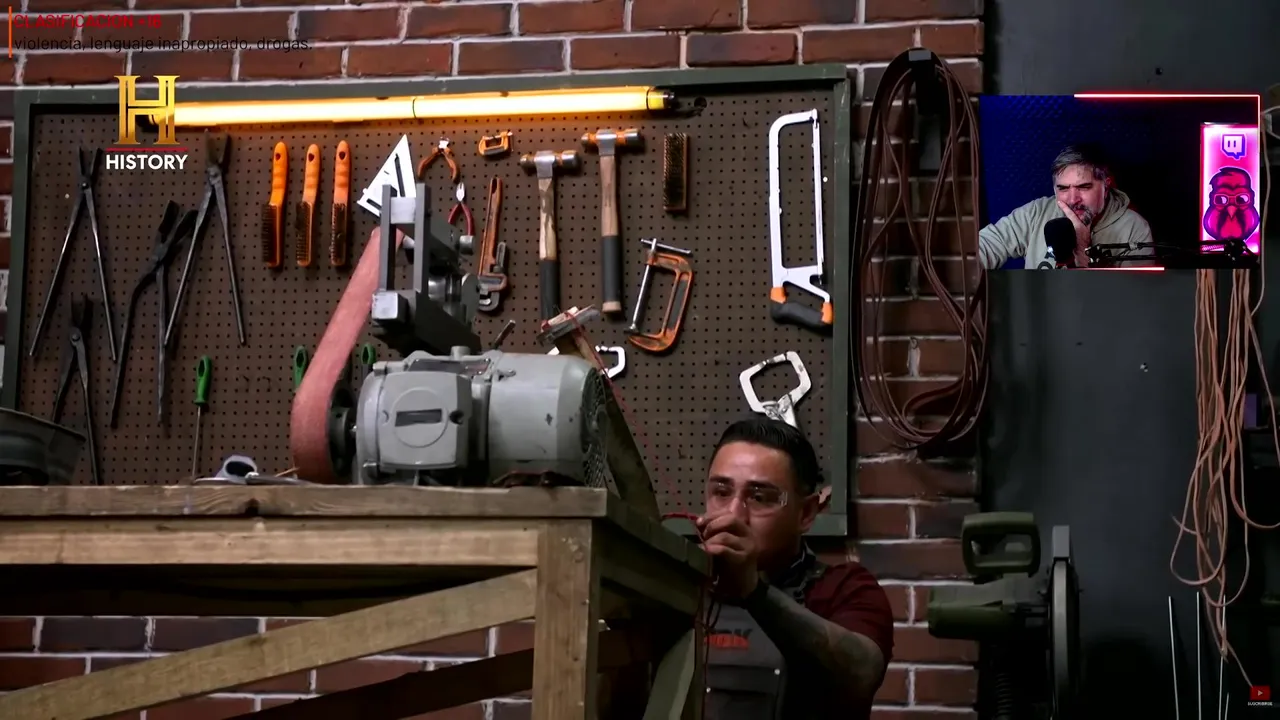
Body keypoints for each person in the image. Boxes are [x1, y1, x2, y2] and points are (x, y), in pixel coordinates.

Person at [697, 417, 893, 719]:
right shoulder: (681, 585)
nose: (734, 514)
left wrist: (754, 592)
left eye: (759, 497)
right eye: (721, 493)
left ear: (806, 513)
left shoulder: (844, 588)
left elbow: (862, 673)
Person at [978, 144, 1155, 270]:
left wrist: (1082, 250)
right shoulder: (1036, 212)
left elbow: (1134, 298)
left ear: (1106, 186)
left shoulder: (1134, 227)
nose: (1072, 199)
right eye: (1063, 188)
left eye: (1084, 187)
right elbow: (983, 247)